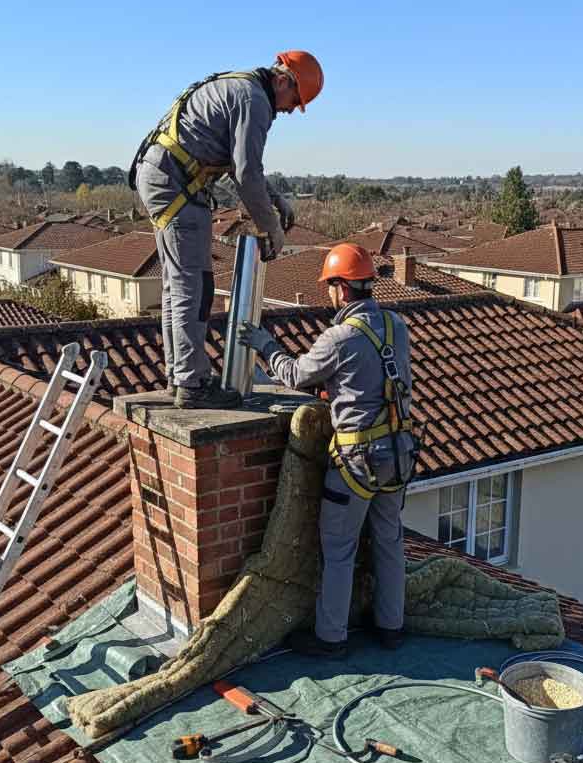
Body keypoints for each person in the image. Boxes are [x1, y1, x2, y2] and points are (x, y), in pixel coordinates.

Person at [238, 244, 417, 658]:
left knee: (339, 550)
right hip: (398, 452)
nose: (328, 295)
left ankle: (330, 637)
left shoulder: (340, 337)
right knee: (390, 542)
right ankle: (392, 627)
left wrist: (266, 345)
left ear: (340, 287)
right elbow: (373, 380)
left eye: (330, 287)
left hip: (357, 460)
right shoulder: (396, 325)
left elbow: (296, 374)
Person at [129, 51, 323, 409]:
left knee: (179, 284)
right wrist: (273, 230)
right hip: (175, 182)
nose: (290, 110)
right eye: (295, 100)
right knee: (195, 285)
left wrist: (276, 199)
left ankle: (180, 376)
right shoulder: (255, 101)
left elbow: (241, 167)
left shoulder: (240, 86)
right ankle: (191, 383)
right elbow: (247, 175)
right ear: (283, 80)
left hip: (163, 175)